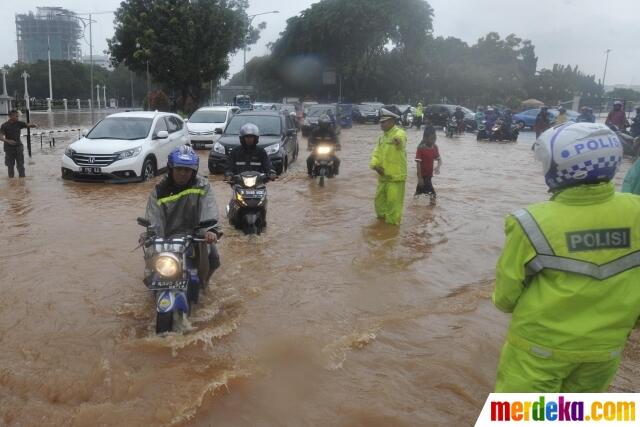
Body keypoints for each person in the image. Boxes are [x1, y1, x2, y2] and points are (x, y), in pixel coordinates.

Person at [493, 122, 640, 392]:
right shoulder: (636, 210)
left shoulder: (529, 221)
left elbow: (505, 297)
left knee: (521, 419)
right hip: (603, 352)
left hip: (537, 350)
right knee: (578, 417)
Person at [144, 145, 222, 283]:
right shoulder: (159, 190)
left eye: (187, 170)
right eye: (179, 169)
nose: (182, 173)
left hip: (197, 236)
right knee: (151, 271)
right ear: (171, 168)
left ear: (194, 171)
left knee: (214, 258)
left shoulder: (202, 185)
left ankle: (204, 286)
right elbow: (154, 218)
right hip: (168, 239)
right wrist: (151, 235)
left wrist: (211, 230)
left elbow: (209, 208)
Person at [369, 108, 407, 225]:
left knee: (393, 205)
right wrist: (375, 166)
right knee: (379, 203)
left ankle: (391, 231)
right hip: (383, 176)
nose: (381, 124)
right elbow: (376, 153)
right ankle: (381, 228)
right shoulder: (382, 137)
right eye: (381, 122)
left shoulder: (399, 133)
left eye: (384, 122)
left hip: (395, 178)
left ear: (391, 121)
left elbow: (401, 140)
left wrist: (397, 140)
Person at [0, 110, 37, 178]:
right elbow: (1, 136)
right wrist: (8, 141)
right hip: (9, 148)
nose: (18, 117)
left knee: (21, 165)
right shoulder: (4, 125)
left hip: (18, 147)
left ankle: (22, 181)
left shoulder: (19, 123)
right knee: (10, 166)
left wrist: (33, 125)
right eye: (16, 116)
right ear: (10, 116)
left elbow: (27, 125)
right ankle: (11, 181)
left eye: (18, 116)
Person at [414, 124, 441, 202]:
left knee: (418, 193)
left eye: (435, 138)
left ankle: (415, 208)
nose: (434, 140)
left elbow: (439, 159)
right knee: (433, 195)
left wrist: (438, 167)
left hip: (429, 175)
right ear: (425, 138)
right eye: (432, 138)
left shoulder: (435, 147)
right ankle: (431, 212)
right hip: (423, 176)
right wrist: (420, 178)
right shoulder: (421, 148)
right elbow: (418, 164)